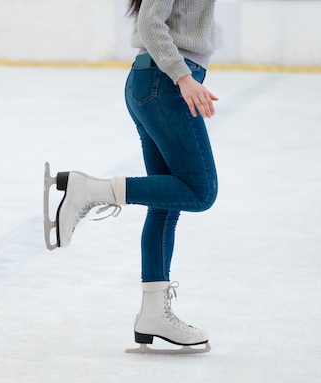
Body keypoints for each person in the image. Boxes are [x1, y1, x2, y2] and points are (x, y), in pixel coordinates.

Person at [44, 0, 218, 353]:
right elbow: (151, 22)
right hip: (166, 82)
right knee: (200, 190)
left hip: (157, 81)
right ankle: (88, 189)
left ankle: (153, 314)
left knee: (165, 205)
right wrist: (183, 77)